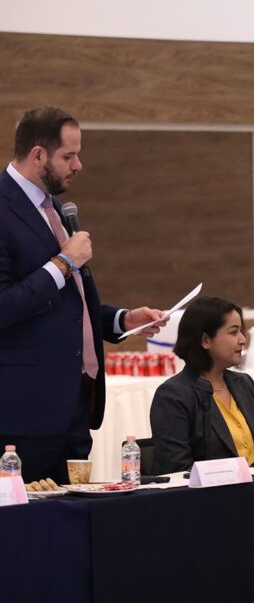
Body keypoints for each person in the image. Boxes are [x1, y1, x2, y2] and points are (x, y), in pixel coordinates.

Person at [0, 105, 167, 482]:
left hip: (73, 408)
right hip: (21, 416)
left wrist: (123, 320)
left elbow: (68, 306)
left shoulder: (55, 209)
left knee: (73, 515)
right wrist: (62, 263)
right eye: (69, 156)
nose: (78, 165)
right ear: (38, 154)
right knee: (26, 518)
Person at [150, 296, 254, 474]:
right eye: (233, 332)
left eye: (241, 331)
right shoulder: (173, 395)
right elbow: (177, 470)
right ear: (206, 340)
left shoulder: (244, 383)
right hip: (210, 491)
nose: (243, 339)